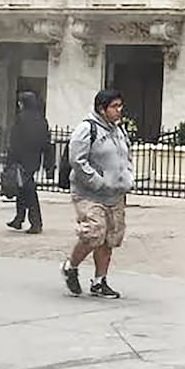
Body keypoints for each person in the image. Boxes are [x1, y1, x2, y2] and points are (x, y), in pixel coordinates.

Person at [61, 90, 132, 299]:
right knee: (93, 233)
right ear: (102, 109)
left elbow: (127, 156)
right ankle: (71, 266)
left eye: (120, 106)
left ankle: (100, 281)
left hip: (115, 193)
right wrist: (96, 181)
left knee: (110, 238)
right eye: (115, 106)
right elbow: (77, 160)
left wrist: (128, 177)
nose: (119, 110)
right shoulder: (87, 129)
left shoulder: (119, 130)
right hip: (89, 194)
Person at [5, 89, 52, 234]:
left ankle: (35, 222)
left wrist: (10, 161)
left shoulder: (21, 119)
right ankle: (19, 218)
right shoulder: (42, 120)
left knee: (29, 191)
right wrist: (48, 164)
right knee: (22, 189)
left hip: (21, 160)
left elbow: (15, 141)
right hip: (34, 160)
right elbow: (46, 142)